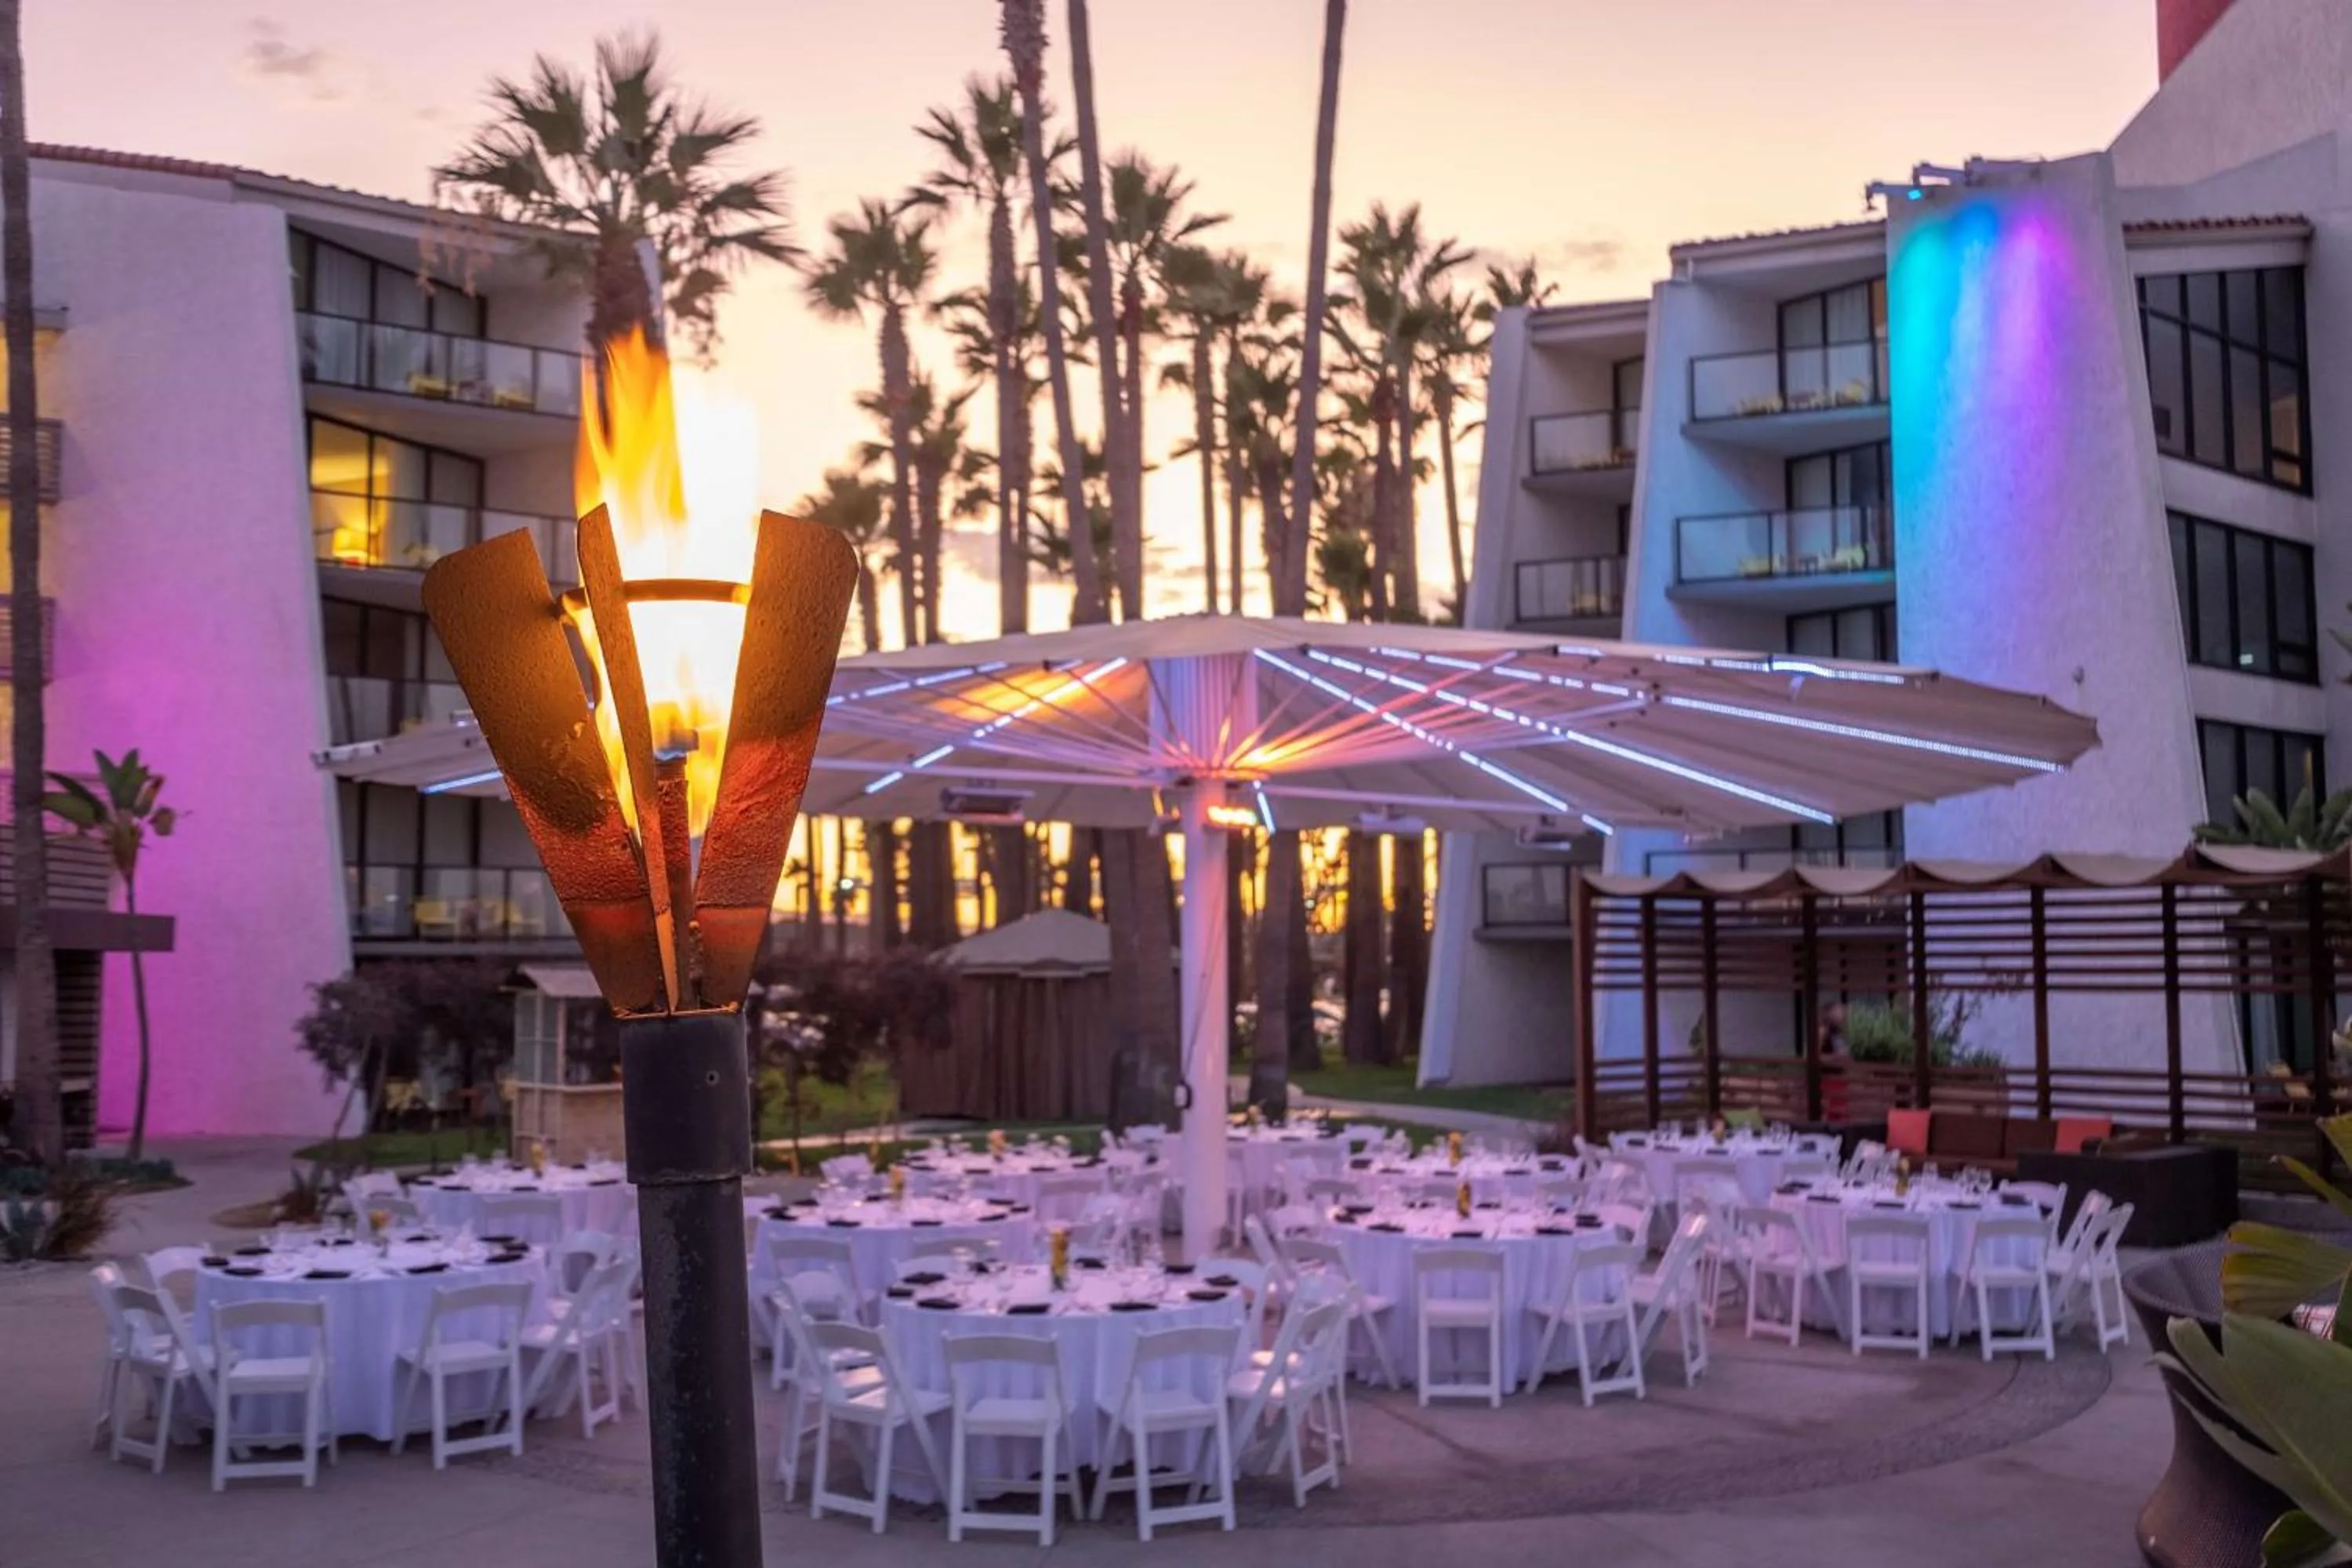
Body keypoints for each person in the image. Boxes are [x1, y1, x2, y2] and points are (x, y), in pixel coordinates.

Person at [1816, 1000, 1850, 1123]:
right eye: (1838, 1010)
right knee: (1833, 1113)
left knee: (1840, 1113)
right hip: (1829, 1078)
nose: (1842, 1013)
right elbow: (1814, 1056)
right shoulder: (1823, 1031)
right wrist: (1835, 1059)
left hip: (1840, 1077)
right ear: (1829, 1013)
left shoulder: (1839, 1032)